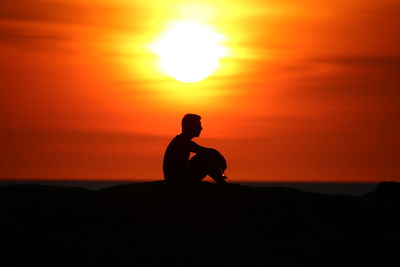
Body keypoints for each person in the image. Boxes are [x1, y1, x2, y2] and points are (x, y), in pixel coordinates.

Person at [163, 114, 228, 184]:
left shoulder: (183, 140)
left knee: (205, 156)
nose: (201, 128)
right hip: (177, 181)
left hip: (179, 177)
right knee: (205, 158)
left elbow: (206, 151)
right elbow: (209, 152)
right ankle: (222, 184)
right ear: (190, 127)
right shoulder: (181, 141)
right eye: (198, 125)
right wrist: (220, 159)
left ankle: (222, 183)